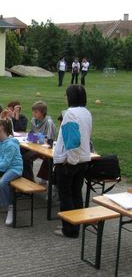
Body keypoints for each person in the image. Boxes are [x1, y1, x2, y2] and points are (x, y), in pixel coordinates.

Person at [53, 85, 92, 238]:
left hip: (70, 161)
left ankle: (69, 229)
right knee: (76, 193)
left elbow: (71, 140)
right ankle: (75, 225)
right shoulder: (86, 112)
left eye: (66, 95)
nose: (65, 97)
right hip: (83, 159)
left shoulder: (70, 113)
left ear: (71, 97)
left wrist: (71, 160)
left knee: (66, 195)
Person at [22, 101, 56, 182]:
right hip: (35, 145)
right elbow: (31, 134)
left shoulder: (49, 122)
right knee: (22, 153)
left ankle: (32, 181)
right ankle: (26, 178)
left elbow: (49, 139)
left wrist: (37, 137)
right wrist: (35, 137)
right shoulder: (33, 120)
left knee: (27, 158)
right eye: (33, 111)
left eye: (36, 112)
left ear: (43, 112)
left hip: (45, 148)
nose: (33, 114)